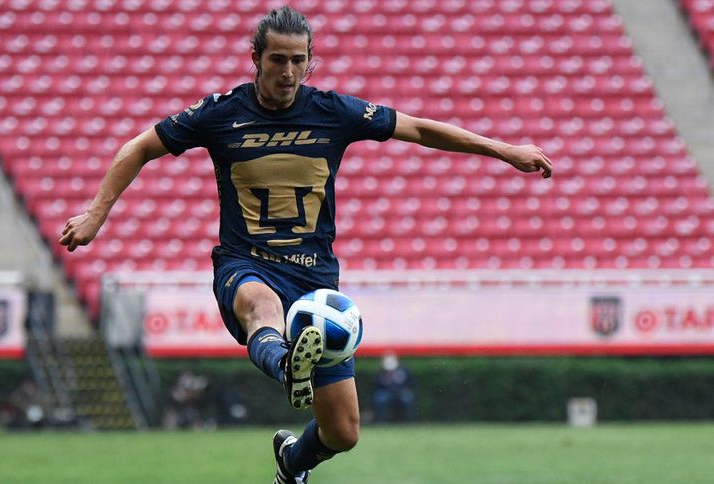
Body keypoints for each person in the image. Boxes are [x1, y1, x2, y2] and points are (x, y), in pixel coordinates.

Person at [59, 6, 552, 483]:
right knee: (262, 307)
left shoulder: (334, 112)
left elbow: (420, 129)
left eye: (299, 60)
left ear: (310, 60)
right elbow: (140, 147)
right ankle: (287, 364)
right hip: (245, 263)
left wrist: (505, 150)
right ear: (256, 58)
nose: (288, 71)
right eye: (278, 59)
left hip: (314, 280)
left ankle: (293, 460)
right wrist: (96, 213)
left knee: (343, 432)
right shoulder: (220, 113)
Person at [372, 353, 416, 423]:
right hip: (386, 393)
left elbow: (410, 383)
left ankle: (409, 421)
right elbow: (377, 385)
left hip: (401, 392)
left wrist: (404, 390)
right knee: (380, 399)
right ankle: (380, 421)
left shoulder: (404, 370)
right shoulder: (381, 372)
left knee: (407, 399)